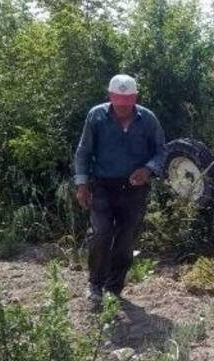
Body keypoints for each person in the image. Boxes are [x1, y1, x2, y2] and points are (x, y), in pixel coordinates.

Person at [73, 74, 166, 304]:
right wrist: (82, 185)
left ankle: (114, 289)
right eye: (118, 102)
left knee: (125, 240)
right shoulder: (96, 116)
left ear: (135, 97)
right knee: (102, 234)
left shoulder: (148, 119)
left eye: (128, 102)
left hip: (135, 189)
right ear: (110, 96)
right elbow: (83, 152)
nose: (123, 108)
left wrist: (147, 170)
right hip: (102, 186)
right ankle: (95, 284)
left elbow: (162, 152)